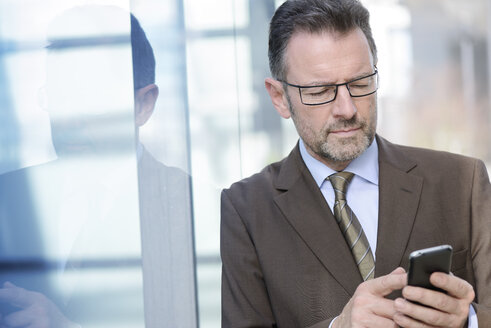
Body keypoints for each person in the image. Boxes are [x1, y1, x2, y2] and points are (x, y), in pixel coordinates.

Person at [220, 0, 491, 327]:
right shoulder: (246, 209)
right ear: (279, 97)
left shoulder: (462, 182)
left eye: (360, 83)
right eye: (321, 91)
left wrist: (470, 320)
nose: (347, 109)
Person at [0, 7, 196, 328]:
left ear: (143, 105)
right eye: (61, 97)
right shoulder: (8, 197)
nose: (71, 119)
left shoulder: (193, 209)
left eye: (90, 98)